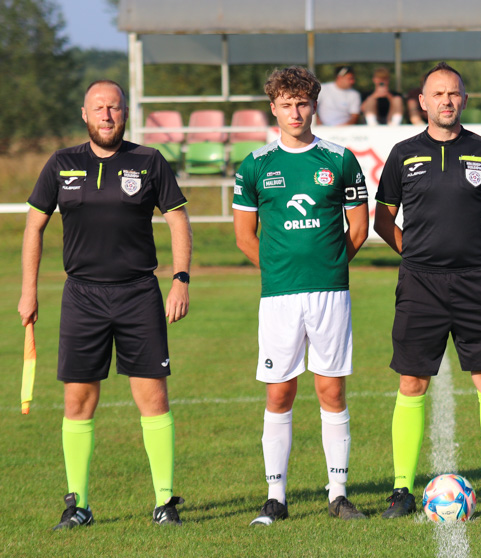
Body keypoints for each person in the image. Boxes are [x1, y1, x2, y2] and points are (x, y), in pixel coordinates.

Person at [19, 80, 192, 529]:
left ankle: (164, 502)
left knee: (152, 395)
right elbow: (33, 228)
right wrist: (29, 291)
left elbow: (177, 219)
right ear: (85, 114)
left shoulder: (149, 161)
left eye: (114, 108)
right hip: (82, 296)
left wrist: (180, 279)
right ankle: (78, 504)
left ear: (125, 113)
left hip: (138, 293)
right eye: (99, 108)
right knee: (78, 400)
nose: (107, 115)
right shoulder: (62, 163)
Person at [374, 61, 481, 517]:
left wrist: (476, 260)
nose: (447, 100)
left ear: (464, 100)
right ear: (422, 102)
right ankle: (401, 490)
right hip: (419, 283)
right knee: (412, 381)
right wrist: (414, 255)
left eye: (454, 93)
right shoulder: (404, 153)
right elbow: (383, 219)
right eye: (437, 94)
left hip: (474, 284)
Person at [233, 66, 370, 524]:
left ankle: (338, 493)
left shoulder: (340, 160)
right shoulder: (255, 165)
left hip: (330, 293)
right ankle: (276, 496)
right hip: (279, 297)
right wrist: (279, 272)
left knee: (331, 389)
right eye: (286, 104)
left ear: (315, 106)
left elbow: (359, 228)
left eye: (303, 103)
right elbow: (244, 237)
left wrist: (328, 266)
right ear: (273, 108)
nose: (296, 112)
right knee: (279, 393)